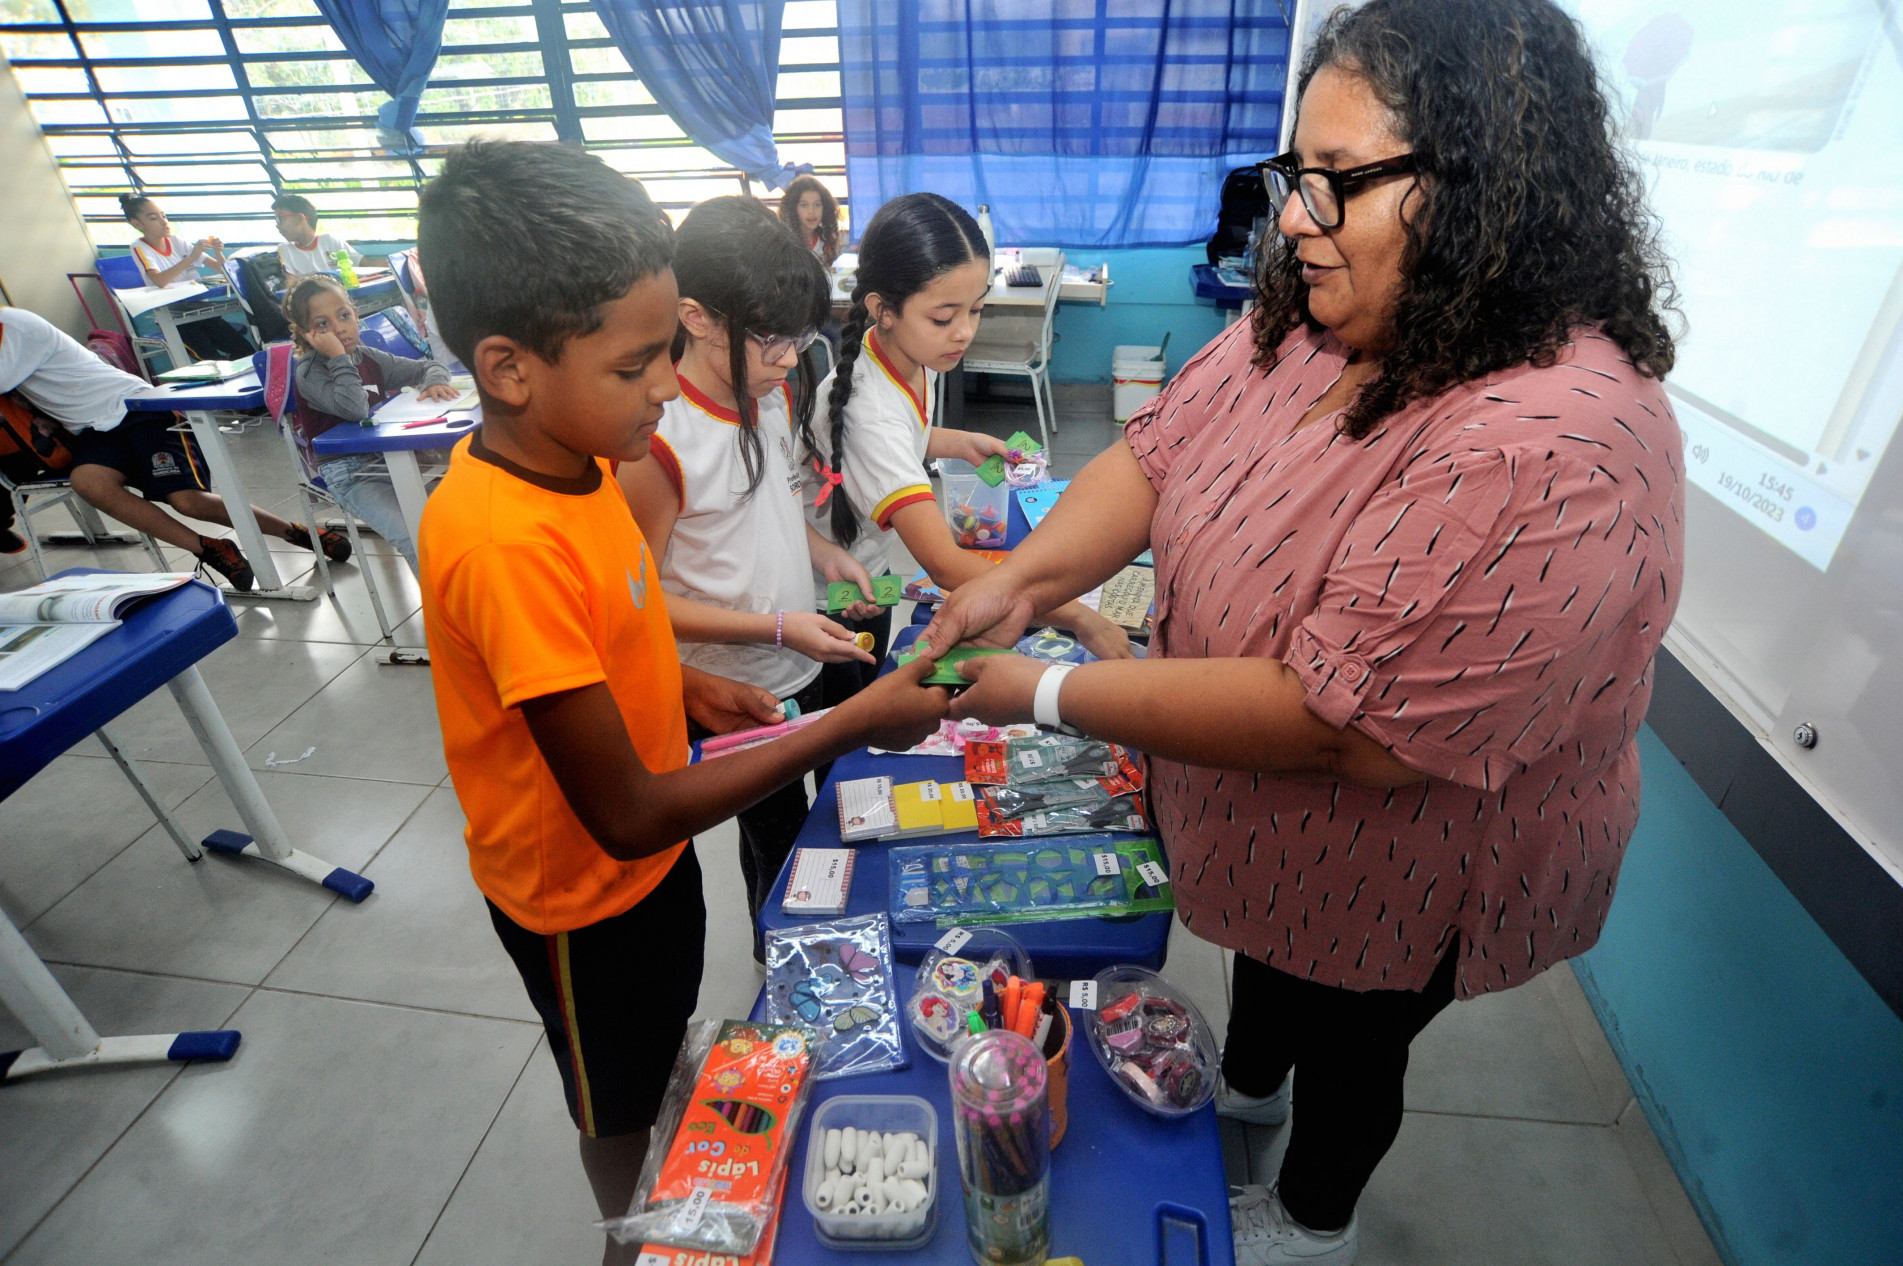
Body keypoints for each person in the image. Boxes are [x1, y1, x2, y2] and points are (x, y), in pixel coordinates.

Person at [920, 1, 1684, 1262]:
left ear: (1479, 192)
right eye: (1297, 175)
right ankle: (1242, 1095)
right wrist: (1021, 579)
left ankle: (1313, 1217)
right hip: (1271, 828)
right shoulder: (1317, 316)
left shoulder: (1555, 441)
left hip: (1414, 857)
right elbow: (1160, 456)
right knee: (1273, 970)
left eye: (1336, 183)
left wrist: (1038, 692)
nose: (1292, 217)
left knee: (1355, 1031)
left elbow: (1348, 734)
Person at [413, 139, 949, 1266]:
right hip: (579, 894)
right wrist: (848, 719)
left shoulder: (584, 467)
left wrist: (692, 686)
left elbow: (620, 629)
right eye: (633, 365)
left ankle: (659, 1157)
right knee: (613, 1099)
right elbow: (626, 809)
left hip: (650, 873)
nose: (664, 387)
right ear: (508, 367)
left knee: (658, 1047)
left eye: (666, 353)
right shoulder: (503, 538)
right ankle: (630, 1239)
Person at [616, 196, 881, 960]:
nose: (789, 360)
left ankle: (819, 930)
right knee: (774, 833)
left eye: (800, 339)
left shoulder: (760, 388)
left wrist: (822, 556)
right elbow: (640, 604)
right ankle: (789, 962)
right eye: (771, 340)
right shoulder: (660, 437)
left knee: (820, 810)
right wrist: (771, 626)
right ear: (695, 316)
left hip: (795, 652)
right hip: (727, 682)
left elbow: (768, 509)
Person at [806, 191, 1130, 709]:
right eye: (944, 317)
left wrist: (958, 441)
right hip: (826, 597)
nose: (964, 332)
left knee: (872, 688)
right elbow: (947, 566)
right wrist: (1079, 616)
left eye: (976, 310)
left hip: (869, 571)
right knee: (842, 720)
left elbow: (904, 436)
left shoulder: (908, 355)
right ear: (882, 311)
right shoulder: (869, 409)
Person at [0, 306, 348, 591]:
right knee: (89, 482)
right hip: (92, 430)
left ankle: (297, 533)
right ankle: (211, 548)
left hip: (136, 408)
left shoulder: (15, 324)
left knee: (188, 500)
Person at [283, 274, 455, 570]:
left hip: (391, 459)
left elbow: (429, 365)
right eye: (323, 324)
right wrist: (338, 357)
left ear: (355, 313)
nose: (339, 328)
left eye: (344, 315)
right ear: (305, 333)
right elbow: (354, 409)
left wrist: (435, 382)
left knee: (452, 525)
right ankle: (443, 614)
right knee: (418, 539)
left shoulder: (369, 357)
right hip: (349, 473)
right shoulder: (310, 372)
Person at [119, 193, 255, 362]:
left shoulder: (177, 240)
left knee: (245, 350)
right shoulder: (139, 248)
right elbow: (159, 280)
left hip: (201, 311)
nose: (164, 221)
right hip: (176, 320)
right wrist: (190, 258)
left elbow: (223, 269)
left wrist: (218, 252)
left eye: (164, 215)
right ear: (137, 223)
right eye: (154, 218)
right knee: (213, 361)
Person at [273, 194, 375, 276]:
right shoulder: (285, 249)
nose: (277, 226)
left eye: (280, 219)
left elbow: (365, 263)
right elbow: (290, 283)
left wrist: (390, 264)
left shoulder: (330, 241)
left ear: (299, 218)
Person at [778, 174, 841, 267]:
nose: (811, 211)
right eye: (804, 205)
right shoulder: (785, 243)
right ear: (793, 209)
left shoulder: (827, 240)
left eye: (817, 205)